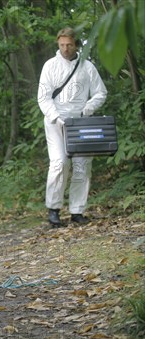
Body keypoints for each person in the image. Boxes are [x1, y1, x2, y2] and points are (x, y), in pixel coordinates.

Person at [37, 27, 107, 227]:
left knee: (82, 165)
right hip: (55, 121)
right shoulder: (50, 66)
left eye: (69, 44)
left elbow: (100, 92)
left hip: (82, 122)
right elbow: (43, 97)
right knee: (59, 163)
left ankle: (77, 211)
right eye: (62, 45)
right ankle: (53, 209)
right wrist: (56, 117)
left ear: (76, 44)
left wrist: (88, 108)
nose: (65, 48)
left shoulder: (87, 67)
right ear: (58, 44)